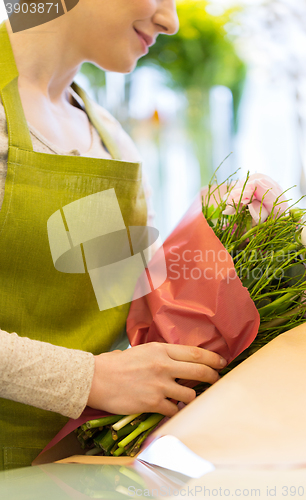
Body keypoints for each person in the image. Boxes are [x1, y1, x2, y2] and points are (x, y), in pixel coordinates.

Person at [0, 1, 226, 470]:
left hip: (75, 471)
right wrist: (88, 380)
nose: (171, 21)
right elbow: (103, 370)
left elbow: (123, 310)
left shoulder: (107, 139)